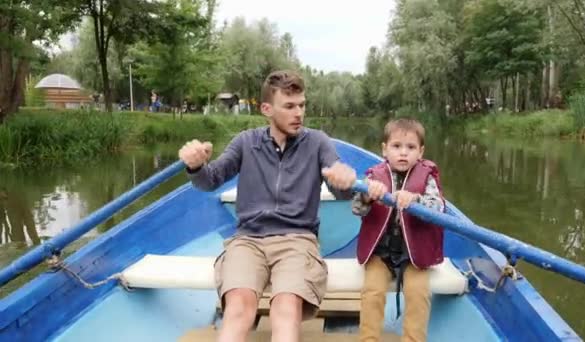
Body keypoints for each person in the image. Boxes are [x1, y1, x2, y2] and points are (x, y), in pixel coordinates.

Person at [178, 70, 357, 342]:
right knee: (238, 309)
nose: (299, 113)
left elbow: (344, 193)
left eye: (302, 105)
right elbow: (210, 180)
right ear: (266, 109)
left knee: (285, 309)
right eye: (289, 106)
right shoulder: (245, 142)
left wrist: (345, 181)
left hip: (297, 240)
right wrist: (195, 166)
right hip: (248, 240)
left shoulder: (318, 142)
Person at [351, 118, 445, 342]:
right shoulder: (374, 176)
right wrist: (367, 195)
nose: (403, 153)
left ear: (420, 152)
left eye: (411, 147)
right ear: (385, 150)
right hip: (380, 254)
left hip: (414, 256)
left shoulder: (428, 177)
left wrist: (416, 200)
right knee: (372, 292)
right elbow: (357, 209)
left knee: (418, 293)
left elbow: (438, 207)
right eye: (396, 146)